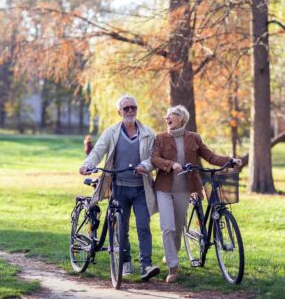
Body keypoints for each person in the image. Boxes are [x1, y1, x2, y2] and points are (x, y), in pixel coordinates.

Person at [151, 105, 242, 283]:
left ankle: (171, 253)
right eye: (166, 115)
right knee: (167, 227)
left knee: (178, 227)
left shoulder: (194, 138)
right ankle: (173, 267)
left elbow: (210, 157)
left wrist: (229, 161)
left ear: (182, 118)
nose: (167, 117)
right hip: (164, 187)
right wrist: (171, 164)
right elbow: (154, 159)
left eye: (172, 114)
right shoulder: (160, 138)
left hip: (185, 188)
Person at [79, 94, 160, 280]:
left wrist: (146, 166)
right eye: (126, 108)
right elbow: (98, 150)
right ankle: (125, 261)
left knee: (143, 226)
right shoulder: (111, 132)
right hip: (119, 187)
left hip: (141, 189)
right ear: (119, 112)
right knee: (120, 227)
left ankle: (146, 265)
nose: (130, 111)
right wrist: (87, 164)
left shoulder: (148, 133)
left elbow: (154, 157)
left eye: (133, 107)